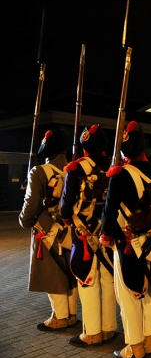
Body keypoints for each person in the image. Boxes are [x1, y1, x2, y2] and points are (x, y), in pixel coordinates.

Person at [99, 121, 151, 358]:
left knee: (129, 295)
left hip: (129, 244)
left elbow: (109, 212)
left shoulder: (120, 174)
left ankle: (135, 346)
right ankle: (150, 341)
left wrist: (106, 236)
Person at [60, 124, 117, 347]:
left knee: (87, 279)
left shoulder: (76, 168)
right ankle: (109, 328)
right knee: (108, 279)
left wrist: (67, 218)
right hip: (109, 230)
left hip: (82, 230)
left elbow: (66, 205)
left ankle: (92, 332)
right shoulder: (114, 166)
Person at [19, 129, 79, 332]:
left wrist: (25, 221)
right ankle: (71, 314)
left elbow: (31, 204)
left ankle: (60, 317)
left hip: (47, 229)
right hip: (72, 228)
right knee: (70, 271)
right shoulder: (74, 168)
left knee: (53, 273)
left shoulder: (39, 171)